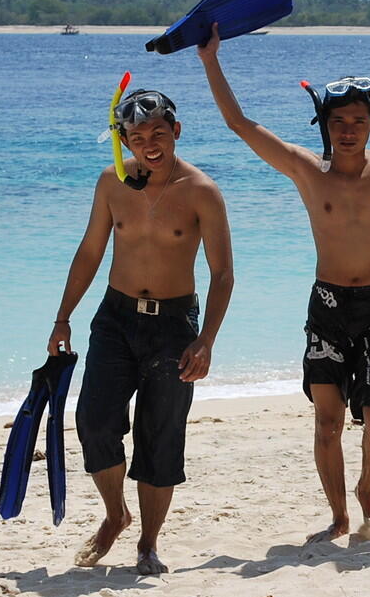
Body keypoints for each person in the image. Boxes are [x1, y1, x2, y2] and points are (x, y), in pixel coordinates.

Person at [197, 22, 370, 542]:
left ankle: (366, 485)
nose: (347, 130)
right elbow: (241, 124)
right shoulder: (308, 171)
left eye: (357, 120)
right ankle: (338, 516)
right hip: (327, 306)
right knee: (326, 424)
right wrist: (210, 59)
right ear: (323, 124)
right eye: (338, 121)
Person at [48, 87, 233, 573]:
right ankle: (116, 515)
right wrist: (62, 317)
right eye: (136, 136)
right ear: (123, 139)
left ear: (176, 131)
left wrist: (206, 339)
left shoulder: (202, 192)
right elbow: (90, 252)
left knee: (161, 434)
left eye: (157, 133)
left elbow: (222, 274)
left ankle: (148, 542)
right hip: (115, 318)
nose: (149, 144)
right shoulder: (112, 182)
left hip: (174, 326)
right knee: (94, 421)